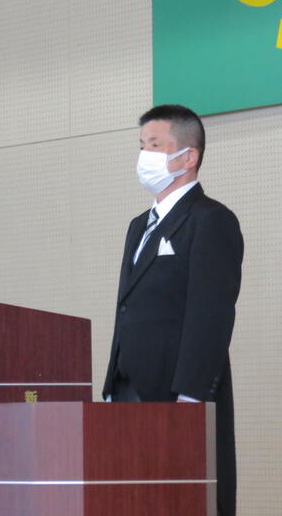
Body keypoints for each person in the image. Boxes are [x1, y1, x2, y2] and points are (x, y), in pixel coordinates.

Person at [102, 104, 243, 516]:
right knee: (132, 497)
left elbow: (211, 313)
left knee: (179, 499)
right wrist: (111, 384)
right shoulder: (138, 225)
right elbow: (127, 307)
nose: (144, 155)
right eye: (141, 145)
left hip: (176, 393)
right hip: (128, 387)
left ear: (188, 155)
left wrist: (191, 397)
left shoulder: (211, 219)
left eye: (154, 145)